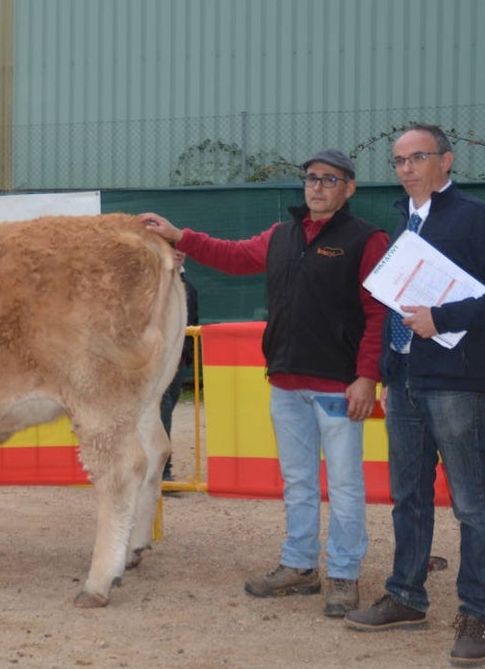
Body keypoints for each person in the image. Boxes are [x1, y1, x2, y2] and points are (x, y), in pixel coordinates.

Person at [140, 149, 388, 618]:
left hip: (339, 386)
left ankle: (343, 575)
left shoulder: (367, 240)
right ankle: (298, 566)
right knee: (297, 480)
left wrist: (367, 376)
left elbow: (379, 313)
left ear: (349, 188)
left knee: (346, 484)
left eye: (329, 180)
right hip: (286, 381)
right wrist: (179, 235)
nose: (317, 187)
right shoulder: (282, 235)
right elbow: (232, 257)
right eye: (311, 178)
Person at [345, 124, 485, 667]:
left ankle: (478, 612)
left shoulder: (481, 219)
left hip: (458, 379)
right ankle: (406, 595)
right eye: (398, 160)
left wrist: (442, 317)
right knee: (409, 496)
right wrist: (387, 367)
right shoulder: (404, 221)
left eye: (417, 157)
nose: (406, 168)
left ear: (447, 160)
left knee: (471, 503)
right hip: (406, 378)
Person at [159, 249, 199, 484]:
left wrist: (186, 359)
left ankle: (158, 468)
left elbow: (192, 323)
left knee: (166, 408)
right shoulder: (150, 285)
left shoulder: (188, 287)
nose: (177, 255)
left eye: (180, 251)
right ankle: (162, 471)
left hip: (177, 362)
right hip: (155, 362)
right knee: (161, 409)